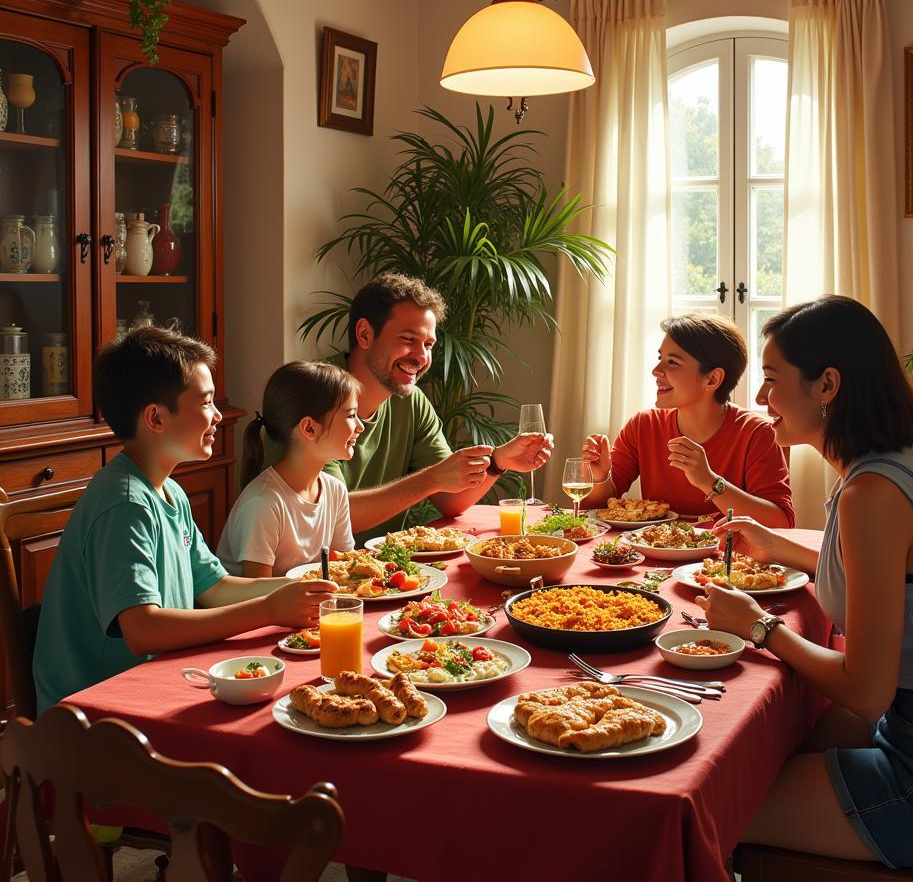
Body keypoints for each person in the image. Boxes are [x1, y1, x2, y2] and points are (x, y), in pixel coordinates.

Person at [697, 295, 913, 869]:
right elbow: (868, 563)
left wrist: (758, 625)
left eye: (773, 380)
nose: (761, 399)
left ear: (827, 385)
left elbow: (866, 690)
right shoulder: (895, 463)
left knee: (707, 806)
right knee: (749, 746)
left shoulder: (873, 495)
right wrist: (772, 542)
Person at [33, 328, 336, 712]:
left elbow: (215, 587)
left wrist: (306, 586)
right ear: (156, 418)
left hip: (152, 685)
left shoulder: (169, 492)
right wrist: (269, 610)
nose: (218, 416)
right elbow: (144, 630)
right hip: (93, 716)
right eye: (206, 403)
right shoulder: (125, 504)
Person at [322, 273, 554, 543]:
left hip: (385, 570)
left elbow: (450, 500)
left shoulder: (412, 401)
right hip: (312, 574)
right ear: (364, 334)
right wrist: (432, 478)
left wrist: (498, 462)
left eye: (428, 345)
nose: (422, 357)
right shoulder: (315, 394)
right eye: (408, 339)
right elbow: (333, 514)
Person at [579, 313, 793, 526]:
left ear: (713, 379)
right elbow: (596, 512)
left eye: (672, 362)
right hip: (654, 553)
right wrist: (600, 478)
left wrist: (709, 481)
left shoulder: (756, 432)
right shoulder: (644, 425)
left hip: (724, 558)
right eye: (660, 358)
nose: (656, 371)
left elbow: (781, 522)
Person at [217, 361, 362, 576]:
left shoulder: (335, 490)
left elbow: (347, 570)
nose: (360, 426)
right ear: (309, 428)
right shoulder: (264, 502)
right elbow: (257, 596)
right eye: (351, 415)